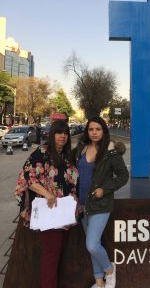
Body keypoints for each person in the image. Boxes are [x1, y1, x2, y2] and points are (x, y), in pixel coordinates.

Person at [15, 119, 78, 288]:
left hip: (64, 212)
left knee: (57, 255)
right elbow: (28, 178)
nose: (62, 136)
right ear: (52, 134)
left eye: (65, 133)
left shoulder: (67, 155)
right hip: (49, 212)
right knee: (51, 256)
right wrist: (48, 194)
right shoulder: (41, 153)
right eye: (59, 132)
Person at [73, 116, 129, 288]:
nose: (94, 132)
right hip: (82, 205)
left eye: (98, 129)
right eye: (91, 129)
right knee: (93, 245)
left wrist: (104, 189)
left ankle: (109, 270)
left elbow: (123, 176)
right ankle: (99, 282)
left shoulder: (111, 152)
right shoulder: (81, 149)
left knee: (91, 244)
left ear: (104, 131)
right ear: (87, 131)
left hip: (100, 204)